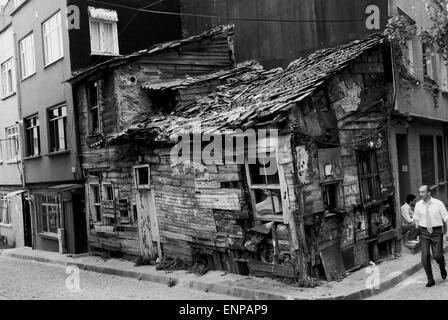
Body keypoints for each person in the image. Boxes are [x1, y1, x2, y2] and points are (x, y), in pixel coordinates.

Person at [413, 185, 448, 287]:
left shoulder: (438, 203)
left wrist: (447, 232)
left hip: (437, 232)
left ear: (429, 192)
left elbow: (446, 218)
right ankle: (430, 279)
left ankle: (442, 266)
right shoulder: (418, 205)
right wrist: (416, 232)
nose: (421, 194)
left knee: (437, 255)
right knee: (425, 256)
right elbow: (416, 219)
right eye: (420, 192)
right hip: (423, 232)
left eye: (423, 192)